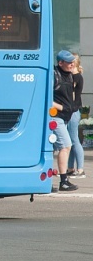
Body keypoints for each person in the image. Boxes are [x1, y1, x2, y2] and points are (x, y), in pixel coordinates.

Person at [53, 50, 80, 191]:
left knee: (51, 148)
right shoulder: (54, 75)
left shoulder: (69, 76)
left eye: (72, 62)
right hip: (55, 117)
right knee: (66, 146)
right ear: (60, 63)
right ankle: (63, 181)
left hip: (64, 117)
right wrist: (62, 107)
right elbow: (45, 98)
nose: (72, 64)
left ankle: (48, 180)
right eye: (69, 62)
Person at [67, 54, 86, 178]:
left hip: (73, 111)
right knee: (69, 141)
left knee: (74, 140)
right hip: (71, 111)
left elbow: (70, 92)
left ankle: (80, 169)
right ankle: (70, 168)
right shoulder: (72, 76)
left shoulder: (76, 77)